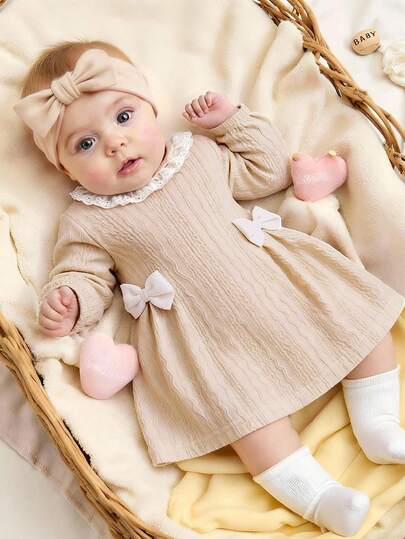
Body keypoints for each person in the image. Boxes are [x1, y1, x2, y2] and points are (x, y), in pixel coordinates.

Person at [14, 40, 405, 536]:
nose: (114, 143)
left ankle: (378, 425)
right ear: (62, 168)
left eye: (124, 117)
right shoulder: (87, 220)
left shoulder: (197, 154)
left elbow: (268, 171)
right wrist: (69, 300)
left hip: (278, 283)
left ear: (151, 110)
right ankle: (319, 497)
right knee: (241, 417)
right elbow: (85, 274)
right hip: (201, 337)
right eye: (84, 144)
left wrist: (229, 122)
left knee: (360, 325)